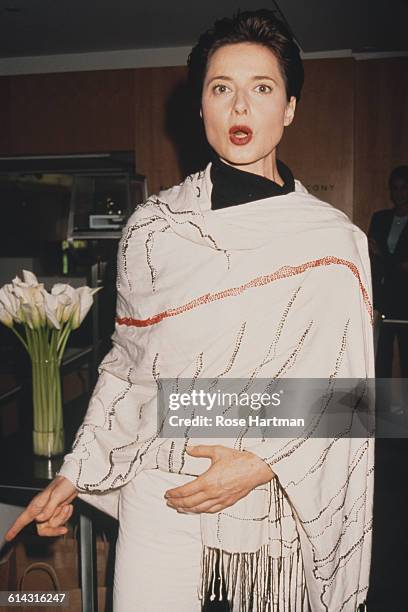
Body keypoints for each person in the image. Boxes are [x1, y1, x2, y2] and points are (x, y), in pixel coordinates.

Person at [5, 10, 374, 612]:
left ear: (290, 108)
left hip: (274, 512)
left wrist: (260, 464)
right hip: (162, 488)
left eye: (262, 89)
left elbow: (356, 399)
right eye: (220, 88)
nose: (239, 108)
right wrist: (75, 473)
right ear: (199, 106)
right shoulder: (153, 230)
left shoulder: (332, 243)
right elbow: (127, 367)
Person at [368, 165, 408, 380]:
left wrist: (383, 255)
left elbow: (382, 255)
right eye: (395, 188)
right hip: (384, 297)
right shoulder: (381, 218)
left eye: (404, 188)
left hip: (405, 301)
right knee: (381, 357)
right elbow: (373, 257)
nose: (399, 193)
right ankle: (380, 409)